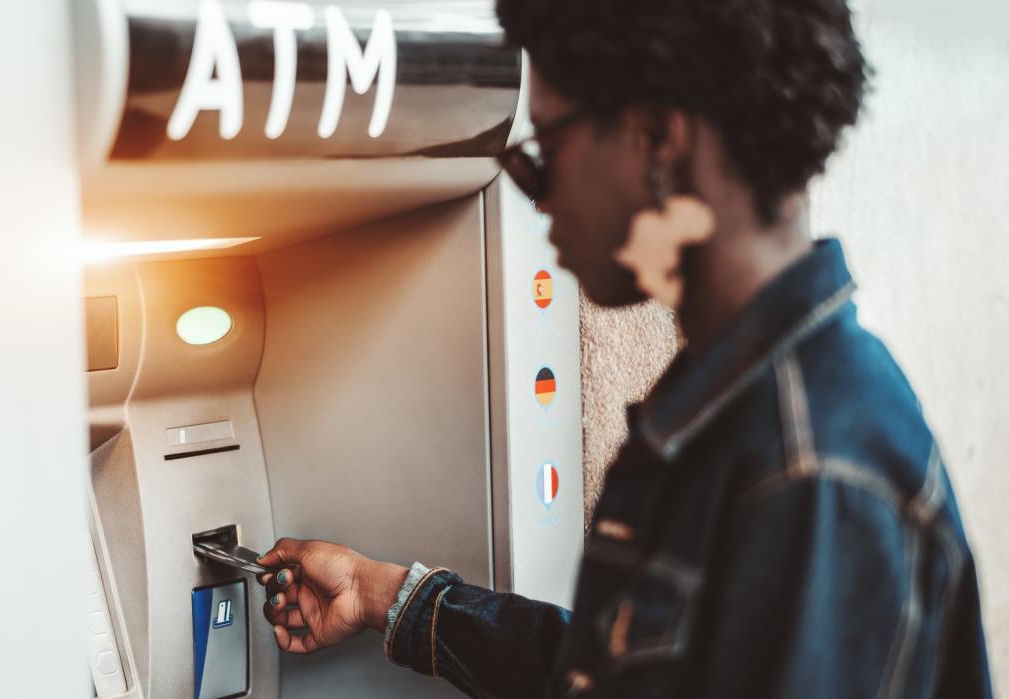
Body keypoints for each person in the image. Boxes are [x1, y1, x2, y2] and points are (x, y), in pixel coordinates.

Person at [255, 0, 995, 696]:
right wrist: (379, 592)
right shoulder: (744, 411)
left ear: (656, 138)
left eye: (544, 145)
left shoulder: (806, 470)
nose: (535, 194)